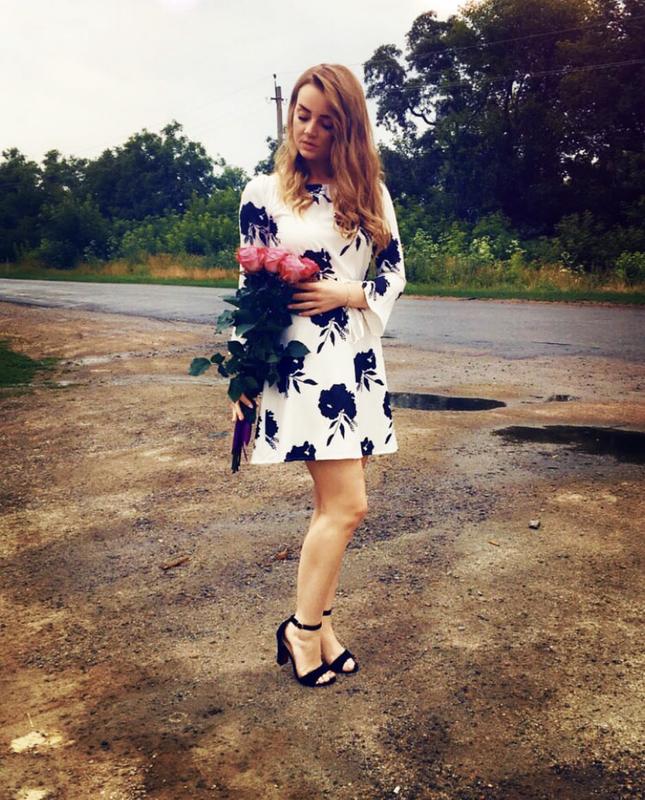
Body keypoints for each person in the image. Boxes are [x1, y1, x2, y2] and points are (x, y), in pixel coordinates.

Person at [228, 63, 406, 687]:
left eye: (325, 122)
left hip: (354, 361)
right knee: (349, 505)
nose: (308, 130)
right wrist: (243, 376)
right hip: (300, 365)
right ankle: (301, 632)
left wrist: (349, 292)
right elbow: (250, 289)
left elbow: (393, 274)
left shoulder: (371, 193)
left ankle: (320, 628)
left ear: (347, 129)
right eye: (301, 116)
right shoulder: (263, 192)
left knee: (332, 505)